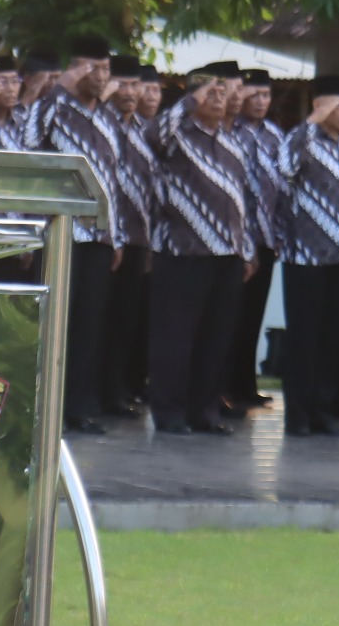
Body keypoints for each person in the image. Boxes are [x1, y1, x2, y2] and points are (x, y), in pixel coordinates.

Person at [139, 60, 253, 434]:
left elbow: (240, 199)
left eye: (224, 93)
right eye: (211, 93)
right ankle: (169, 413)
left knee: (215, 338)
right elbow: (152, 136)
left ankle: (204, 412)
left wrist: (245, 247)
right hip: (182, 251)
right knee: (174, 338)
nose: (219, 99)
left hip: (226, 253)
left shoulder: (232, 142)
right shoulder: (176, 135)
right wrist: (191, 101)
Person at [31, 35, 124, 433]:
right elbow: (30, 141)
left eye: (106, 69)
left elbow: (112, 178)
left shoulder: (108, 116)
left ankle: (80, 408)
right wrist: (58, 90)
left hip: (98, 237)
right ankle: (45, 407)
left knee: (90, 325)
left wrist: (115, 233)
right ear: (76, 70)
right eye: (93, 68)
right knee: (56, 323)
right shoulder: (53, 107)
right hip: (62, 231)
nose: (101, 77)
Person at [275, 75, 339, 436]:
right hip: (306, 257)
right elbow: (283, 168)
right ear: (321, 107)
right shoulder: (302, 141)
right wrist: (311, 122)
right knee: (304, 339)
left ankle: (321, 410)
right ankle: (297, 414)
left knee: (332, 339)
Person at [228, 68, 284, 412]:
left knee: (252, 318)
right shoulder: (230, 133)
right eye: (254, 95)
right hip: (235, 239)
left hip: (265, 239)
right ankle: (224, 387)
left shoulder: (276, 137)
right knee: (231, 318)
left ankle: (245, 385)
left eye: (266, 95)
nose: (261, 102)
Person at [107, 57, 159, 412]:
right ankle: (95, 393)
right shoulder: (99, 126)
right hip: (106, 237)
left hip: (139, 237)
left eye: (134, 86)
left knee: (126, 322)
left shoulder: (146, 131)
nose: (129, 93)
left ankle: (119, 393)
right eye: (121, 85)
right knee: (99, 322)